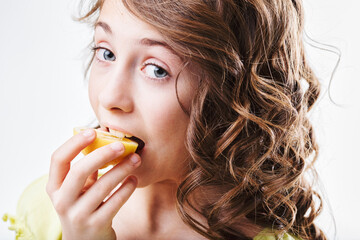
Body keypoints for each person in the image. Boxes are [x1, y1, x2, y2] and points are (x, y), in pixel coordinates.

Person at [4, 0, 328, 239]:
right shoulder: (49, 212)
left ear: (229, 98)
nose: (109, 98)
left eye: (157, 69)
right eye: (106, 52)